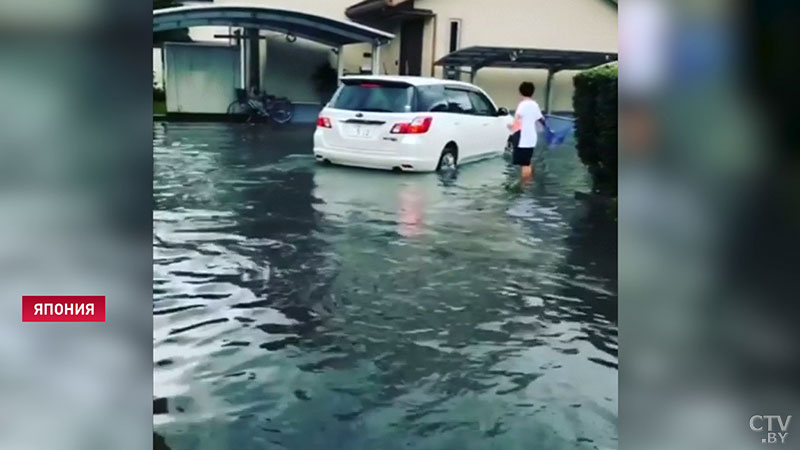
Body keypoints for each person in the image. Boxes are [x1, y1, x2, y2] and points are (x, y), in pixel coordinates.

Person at [509, 81, 552, 185]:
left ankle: (525, 185)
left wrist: (511, 128)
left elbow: (517, 120)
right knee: (527, 161)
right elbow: (541, 119)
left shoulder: (522, 105)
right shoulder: (534, 105)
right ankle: (527, 182)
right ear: (532, 92)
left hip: (522, 137)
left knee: (525, 164)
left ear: (520, 92)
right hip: (532, 138)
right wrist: (550, 130)